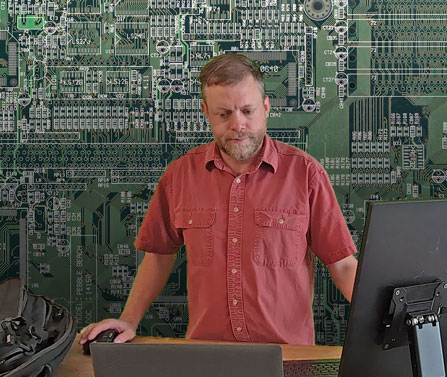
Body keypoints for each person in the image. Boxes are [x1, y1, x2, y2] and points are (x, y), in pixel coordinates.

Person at [80, 53, 358, 346]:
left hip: (287, 357)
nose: (238, 124)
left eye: (248, 111)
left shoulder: (306, 174)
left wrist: (383, 324)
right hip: (206, 356)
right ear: (206, 112)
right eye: (224, 114)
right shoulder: (179, 176)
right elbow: (159, 257)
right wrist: (128, 319)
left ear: (266, 108)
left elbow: (341, 265)